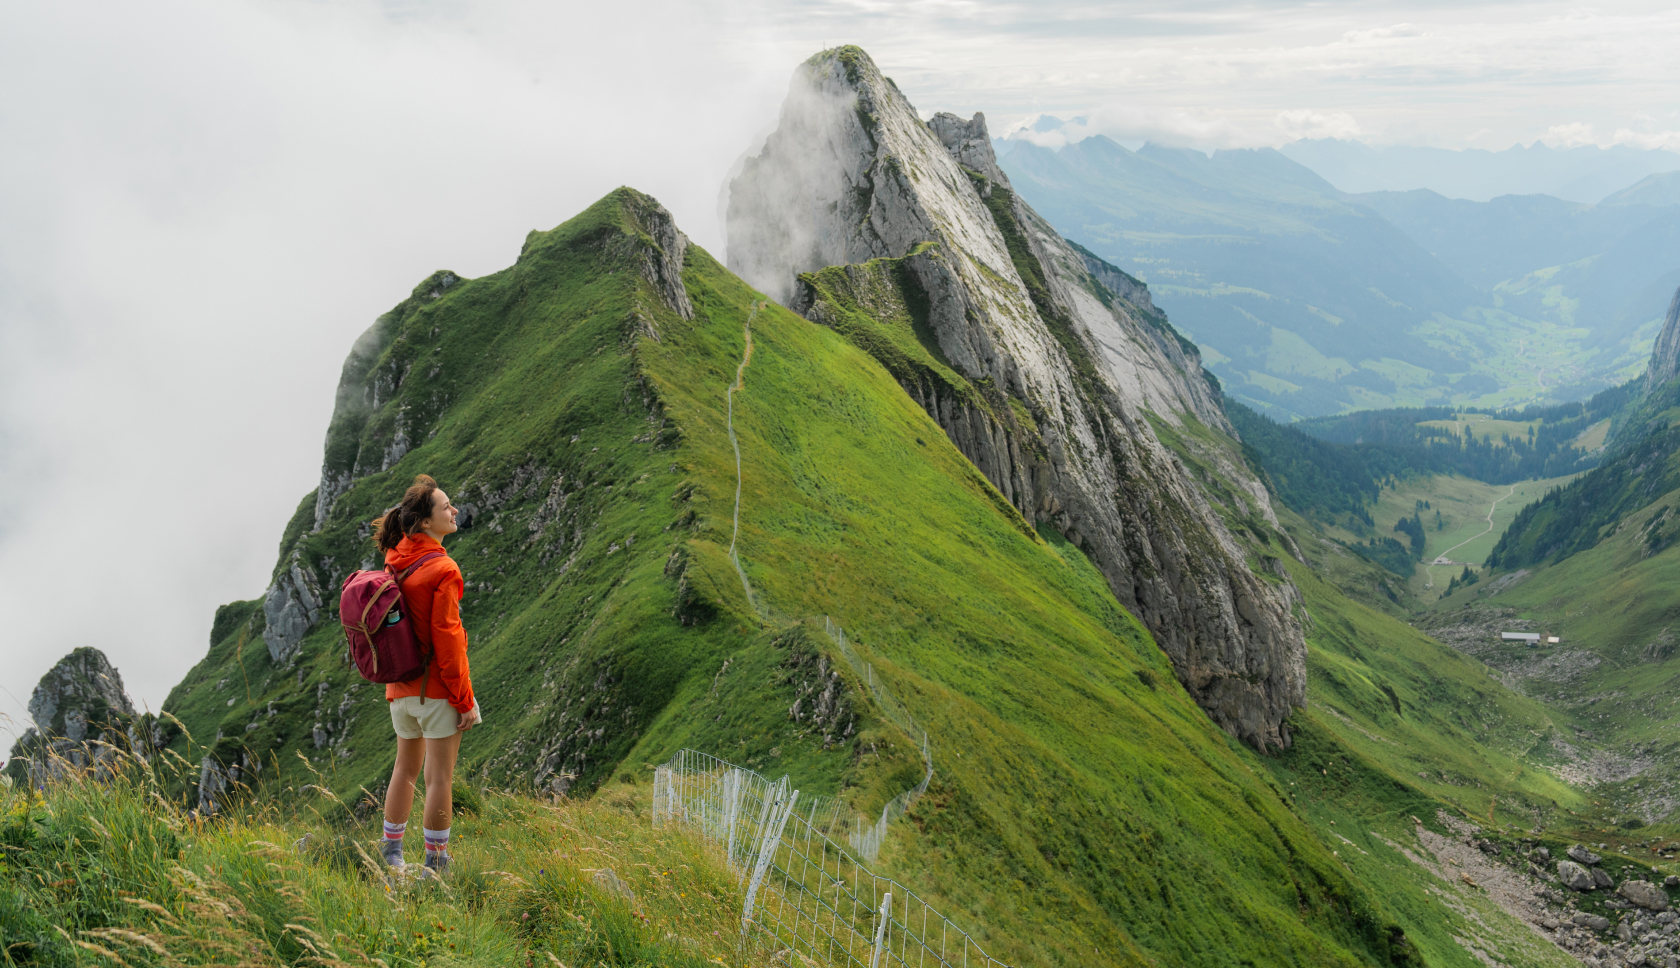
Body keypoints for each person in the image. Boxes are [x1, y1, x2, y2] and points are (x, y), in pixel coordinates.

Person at [372, 474, 481, 874]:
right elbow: (448, 640)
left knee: (405, 770)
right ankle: (436, 863)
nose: (454, 511)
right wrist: (464, 700)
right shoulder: (443, 570)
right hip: (435, 690)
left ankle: (390, 852)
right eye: (445, 507)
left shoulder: (396, 558)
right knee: (439, 779)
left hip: (399, 690)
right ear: (424, 522)